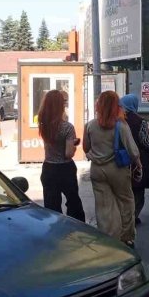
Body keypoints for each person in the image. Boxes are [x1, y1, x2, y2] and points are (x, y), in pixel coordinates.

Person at [83, 90, 140, 245]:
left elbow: (86, 148)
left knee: (103, 205)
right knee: (126, 201)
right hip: (118, 169)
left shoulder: (90, 126)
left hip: (96, 169)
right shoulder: (121, 125)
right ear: (117, 106)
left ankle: (108, 237)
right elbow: (133, 151)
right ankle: (126, 237)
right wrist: (139, 165)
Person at [38, 89, 85, 221]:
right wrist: (74, 144)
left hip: (48, 168)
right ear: (60, 106)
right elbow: (68, 154)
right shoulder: (67, 127)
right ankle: (77, 230)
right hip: (65, 169)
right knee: (73, 202)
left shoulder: (43, 124)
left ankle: (54, 232)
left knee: (51, 205)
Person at [119, 94, 149, 225]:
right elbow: (146, 142)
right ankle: (134, 216)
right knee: (138, 190)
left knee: (124, 189)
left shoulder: (118, 120)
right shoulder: (141, 121)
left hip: (121, 158)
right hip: (138, 158)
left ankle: (125, 215)